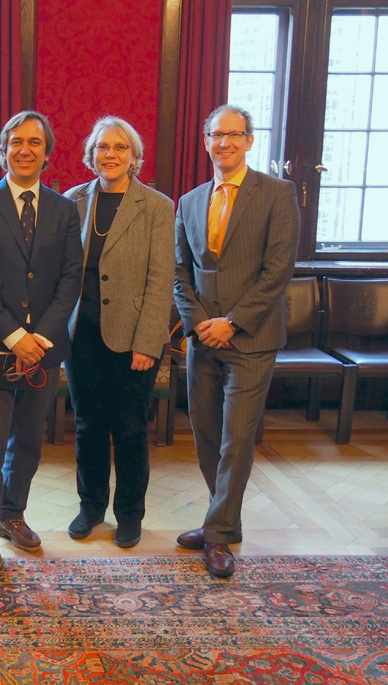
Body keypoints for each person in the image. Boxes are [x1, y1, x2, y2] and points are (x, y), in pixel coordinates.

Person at [173, 104, 299, 578]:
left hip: (251, 338)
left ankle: (219, 534)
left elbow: (277, 270)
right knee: (206, 435)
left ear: (249, 140)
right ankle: (221, 519)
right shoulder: (189, 201)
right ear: (205, 141)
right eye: (215, 135)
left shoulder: (277, 193)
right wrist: (202, 322)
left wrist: (233, 321)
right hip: (203, 338)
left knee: (237, 438)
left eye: (234, 134)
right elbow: (180, 273)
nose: (224, 142)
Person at [0, 110, 82, 576]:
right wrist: (15, 337)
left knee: (27, 441)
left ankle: (13, 514)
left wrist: (41, 338)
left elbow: (70, 278)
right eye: (16, 142)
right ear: (2, 150)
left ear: (46, 153)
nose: (25, 150)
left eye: (34, 142)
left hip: (44, 351)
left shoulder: (65, 209)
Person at [63, 117, 175, 549]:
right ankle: (91, 508)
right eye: (102, 147)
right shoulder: (73, 201)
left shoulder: (156, 206)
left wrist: (149, 342)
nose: (110, 154)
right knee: (89, 427)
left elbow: (160, 278)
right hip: (82, 336)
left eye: (120, 147)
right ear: (91, 155)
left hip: (133, 340)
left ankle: (129, 514)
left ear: (134, 157)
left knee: (129, 430)